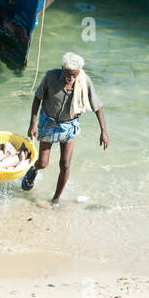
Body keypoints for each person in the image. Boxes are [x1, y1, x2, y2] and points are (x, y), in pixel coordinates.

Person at [21, 52, 108, 207]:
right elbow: (37, 98)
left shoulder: (84, 80)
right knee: (43, 162)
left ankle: (56, 199)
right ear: (62, 68)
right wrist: (33, 124)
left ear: (79, 71)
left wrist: (104, 131)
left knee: (65, 164)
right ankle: (33, 170)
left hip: (70, 125)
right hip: (49, 122)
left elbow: (97, 106)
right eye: (68, 74)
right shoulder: (50, 77)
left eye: (74, 74)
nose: (71, 78)